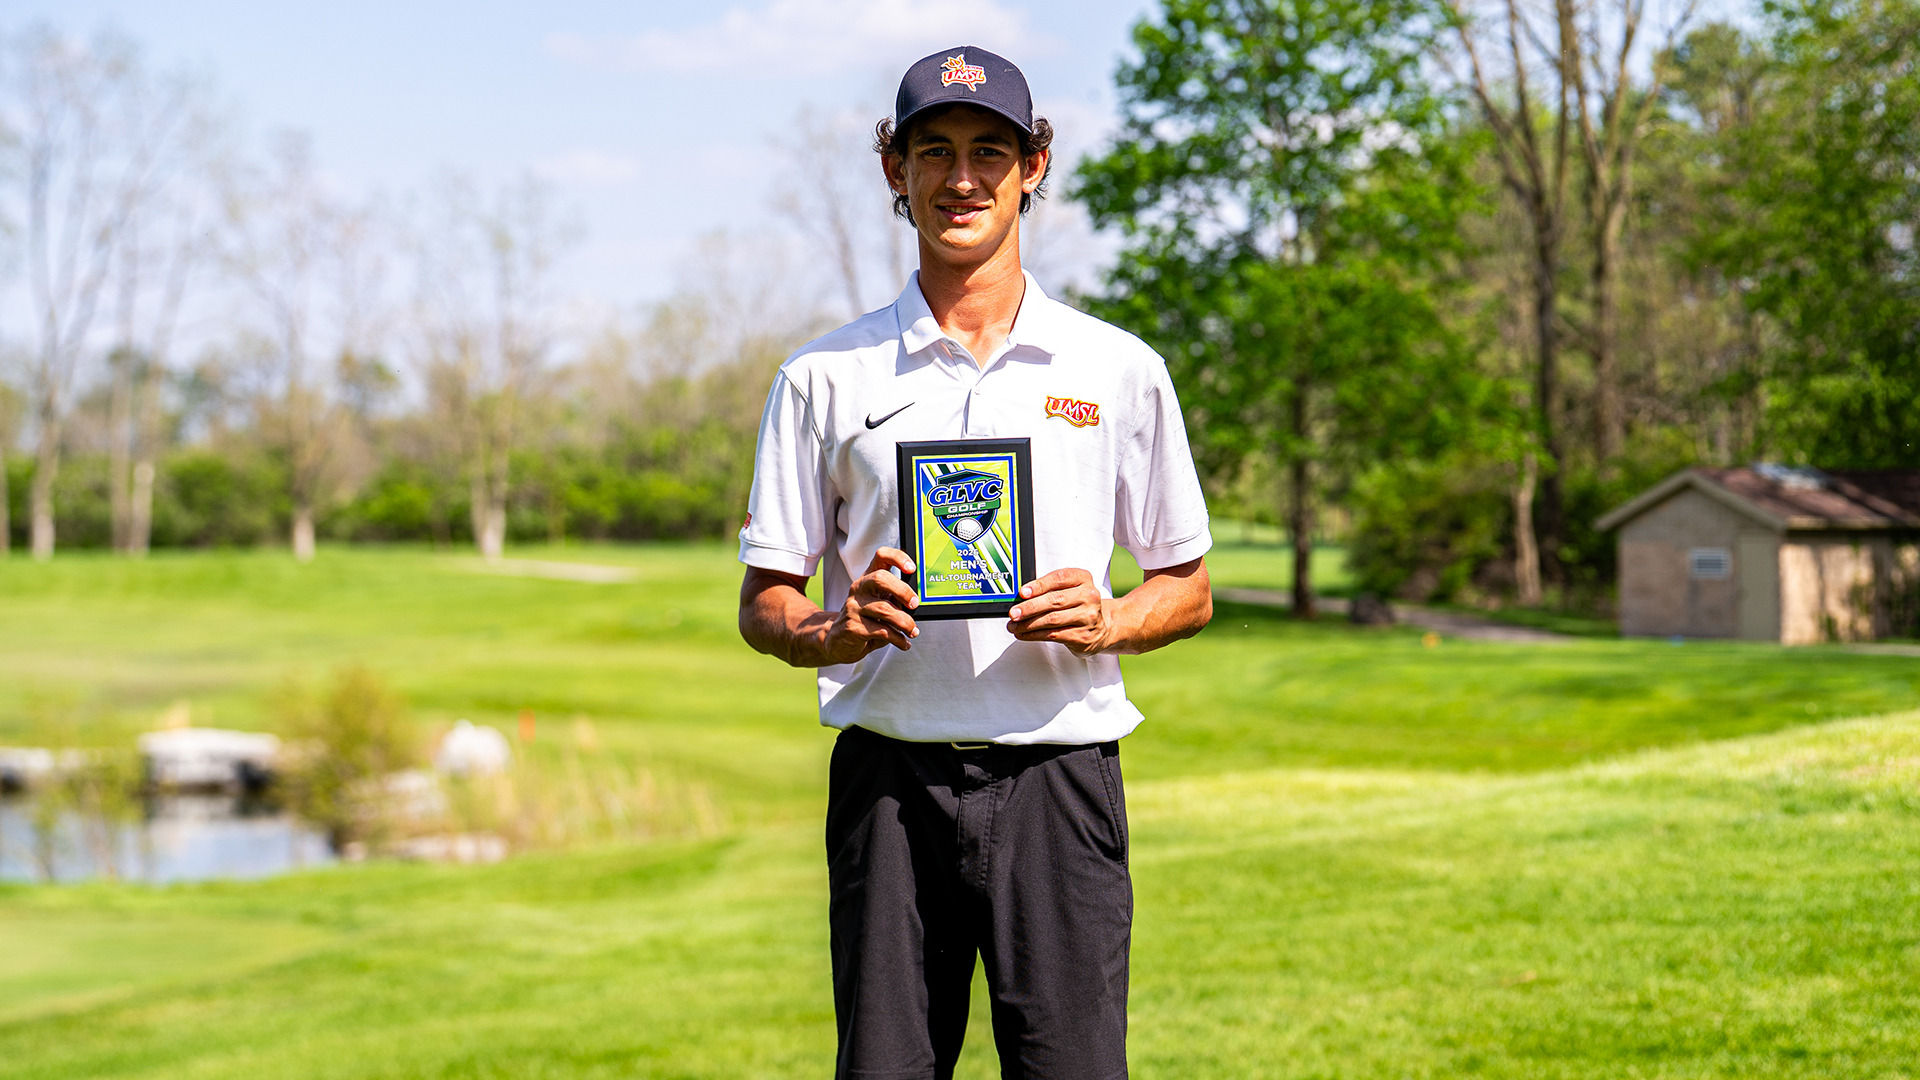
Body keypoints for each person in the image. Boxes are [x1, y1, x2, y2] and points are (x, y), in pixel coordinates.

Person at [737, 44, 1213, 1080]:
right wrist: (834, 627)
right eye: (934, 150)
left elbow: (1189, 584)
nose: (961, 177)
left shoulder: (1118, 368)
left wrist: (1112, 619)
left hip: (1061, 773)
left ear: (1033, 165)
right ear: (892, 169)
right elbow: (766, 600)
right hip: (889, 784)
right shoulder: (822, 376)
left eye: (988, 151)